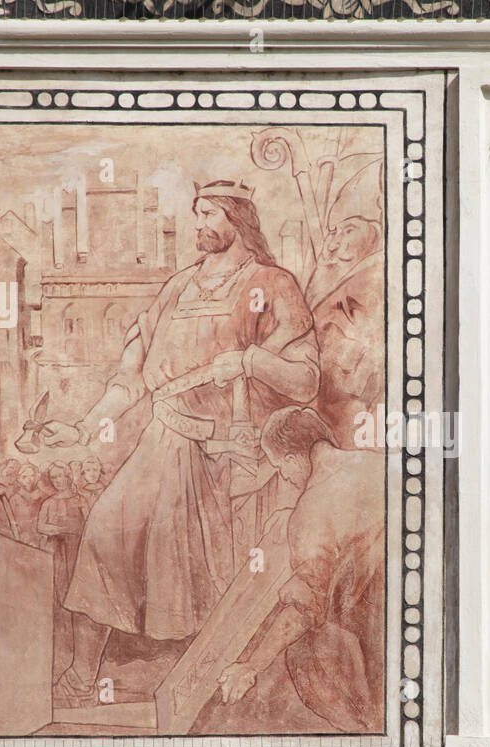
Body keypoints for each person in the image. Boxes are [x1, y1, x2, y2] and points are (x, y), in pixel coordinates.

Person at [39, 178, 321, 705]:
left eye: (210, 213)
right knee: (105, 534)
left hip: (232, 454)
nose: (199, 225)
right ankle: (81, 679)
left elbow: (307, 381)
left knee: (210, 579)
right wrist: (82, 426)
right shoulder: (177, 288)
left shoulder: (271, 284)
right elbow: (133, 375)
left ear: (238, 219)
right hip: (162, 438)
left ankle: (206, 691)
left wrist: (250, 360)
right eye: (196, 214)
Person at [198, 405, 384, 734]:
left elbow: (304, 605)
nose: (284, 476)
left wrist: (250, 666)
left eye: (279, 466)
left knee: (304, 653)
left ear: (293, 458)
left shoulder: (310, 511)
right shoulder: (378, 465)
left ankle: (365, 730)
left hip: (376, 628)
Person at [304, 158, 386, 447]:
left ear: (374, 231)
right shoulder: (335, 276)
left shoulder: (374, 276)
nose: (336, 241)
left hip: (356, 404)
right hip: (328, 401)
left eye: (348, 229)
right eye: (334, 232)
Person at [37, 461, 89, 690]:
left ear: (69, 476)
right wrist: (59, 530)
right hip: (57, 552)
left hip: (78, 551)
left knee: (77, 603)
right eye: (55, 477)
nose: (59, 480)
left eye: (62, 476)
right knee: (58, 602)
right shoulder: (49, 503)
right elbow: (41, 526)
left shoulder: (80, 500)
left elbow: (90, 524)